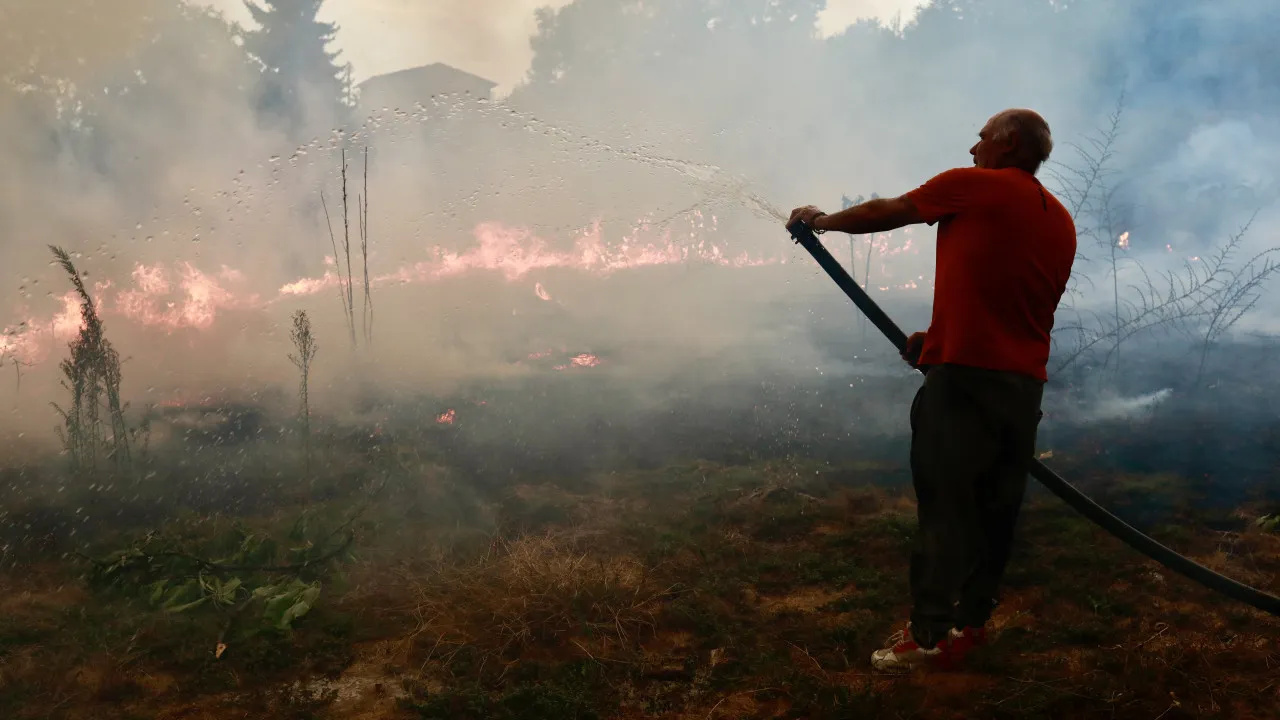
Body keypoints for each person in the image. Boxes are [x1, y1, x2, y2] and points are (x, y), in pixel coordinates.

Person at [787, 108, 1077, 671]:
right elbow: (1010, 298)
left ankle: (928, 637)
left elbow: (889, 212)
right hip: (1022, 390)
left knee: (946, 508)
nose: (972, 148)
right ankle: (970, 625)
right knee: (995, 510)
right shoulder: (1058, 218)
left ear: (1007, 142)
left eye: (982, 137)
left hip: (964, 385)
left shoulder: (972, 185)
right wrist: (939, 336)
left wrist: (822, 221)